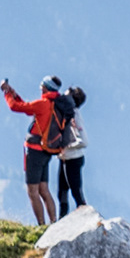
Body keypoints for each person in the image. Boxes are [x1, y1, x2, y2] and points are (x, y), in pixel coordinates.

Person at [1, 75, 69, 224]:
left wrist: (7, 93)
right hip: (47, 151)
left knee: (32, 191)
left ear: (45, 88)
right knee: (44, 189)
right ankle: (53, 223)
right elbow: (27, 107)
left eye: (41, 87)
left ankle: (41, 226)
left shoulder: (43, 103)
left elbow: (16, 107)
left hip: (34, 151)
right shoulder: (56, 103)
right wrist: (14, 93)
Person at [50, 83, 91, 217]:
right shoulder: (68, 113)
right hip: (65, 158)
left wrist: (66, 146)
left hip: (73, 159)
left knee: (76, 192)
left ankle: (87, 218)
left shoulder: (74, 115)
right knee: (62, 192)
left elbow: (84, 141)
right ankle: (62, 220)